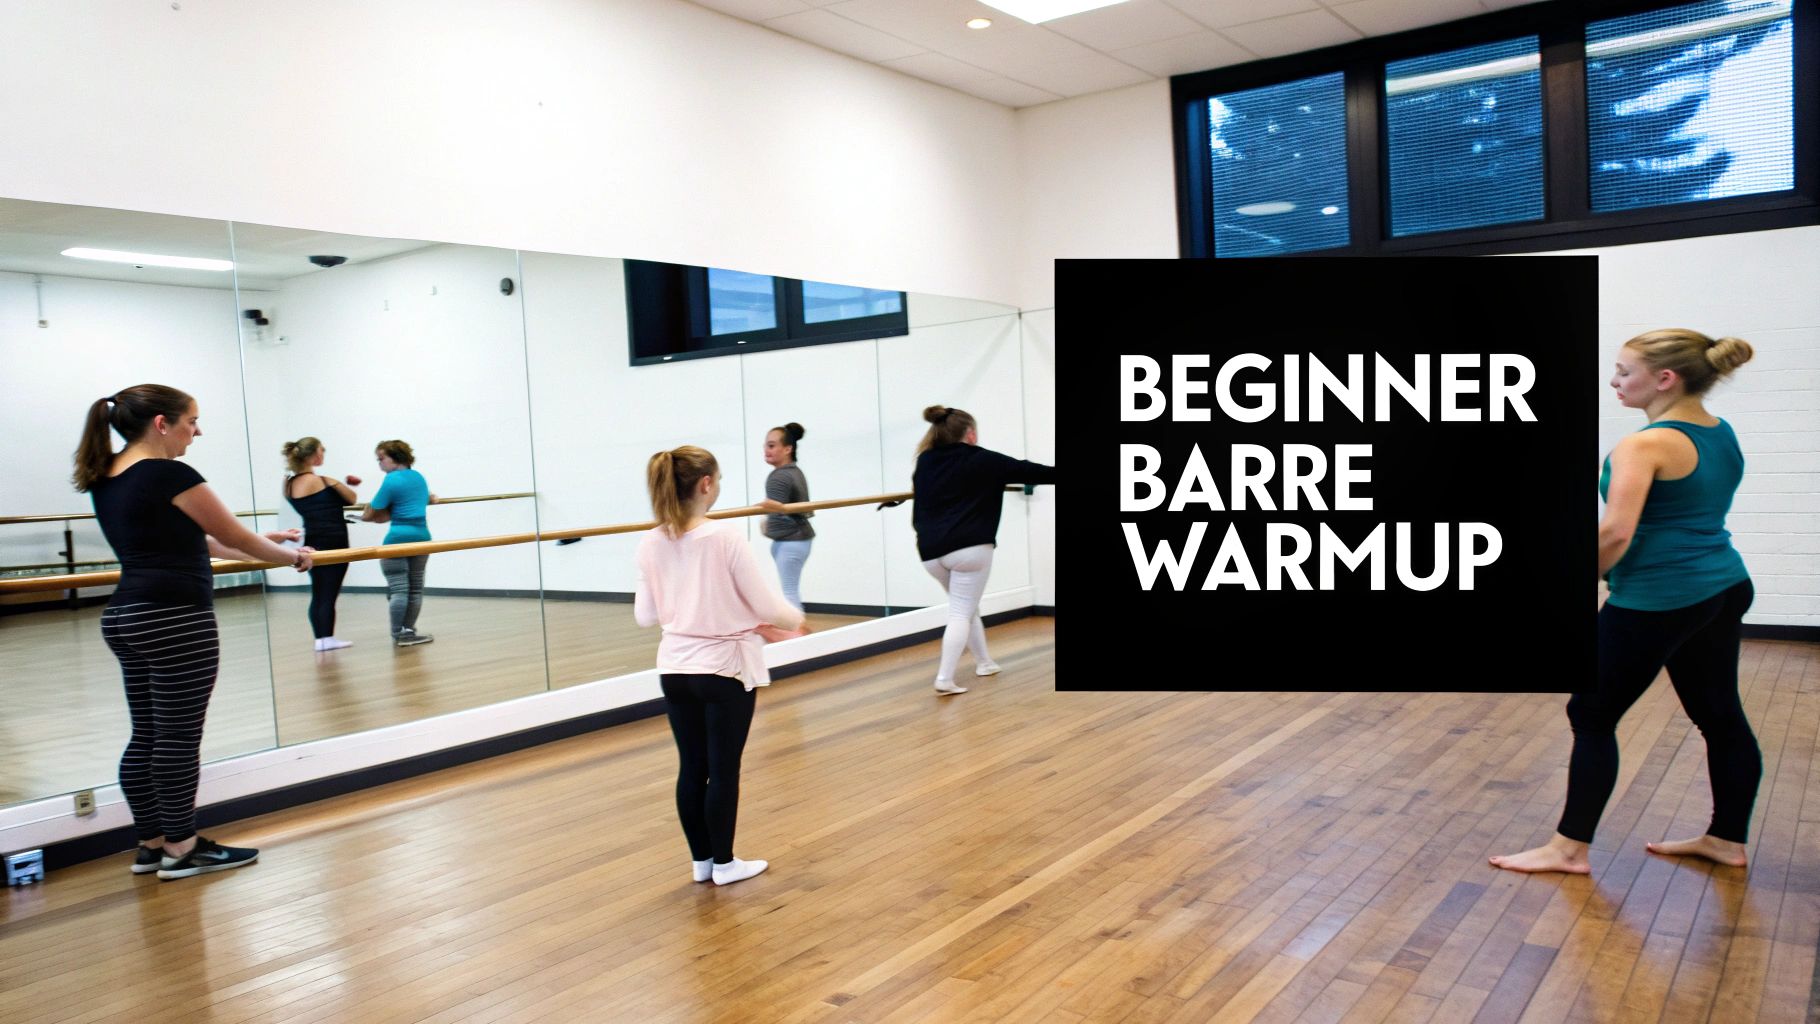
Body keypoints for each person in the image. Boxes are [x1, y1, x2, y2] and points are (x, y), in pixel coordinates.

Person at [1491, 329, 1758, 875]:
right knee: (1719, 714)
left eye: (1622, 371)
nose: (1613, 381)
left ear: (1665, 378)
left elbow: (1615, 534)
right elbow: (1679, 501)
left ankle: (1569, 849)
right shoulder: (1716, 431)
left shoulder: (1644, 445)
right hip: (1722, 585)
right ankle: (1727, 840)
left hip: (1661, 596)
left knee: (1590, 712)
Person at [73, 384, 313, 880]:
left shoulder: (106, 475)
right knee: (178, 740)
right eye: (191, 421)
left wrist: (261, 545)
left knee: (148, 736)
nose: (197, 431)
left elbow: (195, 541)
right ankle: (182, 849)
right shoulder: (170, 473)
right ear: (162, 424)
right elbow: (231, 535)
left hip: (126, 615)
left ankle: (152, 843)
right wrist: (293, 557)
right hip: (175, 618)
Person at [635, 445, 808, 886]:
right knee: (723, 769)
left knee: (692, 767)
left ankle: (702, 863)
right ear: (706, 484)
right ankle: (726, 864)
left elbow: (645, 616)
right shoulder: (724, 537)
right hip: (723, 671)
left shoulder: (650, 541)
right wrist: (795, 620)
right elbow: (766, 603)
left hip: (674, 670)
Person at [911, 405, 1055, 696]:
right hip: (970, 550)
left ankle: (984, 662)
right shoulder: (982, 460)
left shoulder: (925, 461)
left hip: (930, 552)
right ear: (971, 434)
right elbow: (1033, 471)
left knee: (965, 606)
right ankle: (944, 678)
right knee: (960, 613)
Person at [282, 436, 360, 652]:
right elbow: (352, 498)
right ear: (315, 454)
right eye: (322, 450)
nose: (323, 454)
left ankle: (322, 638)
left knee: (319, 591)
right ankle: (326, 639)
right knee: (329, 592)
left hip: (312, 540)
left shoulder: (288, 484)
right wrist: (336, 482)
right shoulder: (323, 481)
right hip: (334, 541)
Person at [362, 439, 434, 647]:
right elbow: (423, 498)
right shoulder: (419, 477)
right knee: (415, 588)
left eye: (382, 459)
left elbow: (373, 510)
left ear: (395, 458)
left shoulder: (391, 480)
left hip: (397, 538)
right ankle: (409, 631)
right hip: (422, 537)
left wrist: (367, 513)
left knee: (399, 589)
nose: (380, 464)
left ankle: (398, 634)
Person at [757, 422, 813, 611]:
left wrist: (767, 526)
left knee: (789, 592)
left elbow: (780, 511)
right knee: (789, 590)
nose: (766, 450)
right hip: (796, 540)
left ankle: (797, 637)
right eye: (765, 445)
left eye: (772, 446)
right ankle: (795, 634)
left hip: (791, 541)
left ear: (788, 448)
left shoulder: (780, 476)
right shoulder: (794, 472)